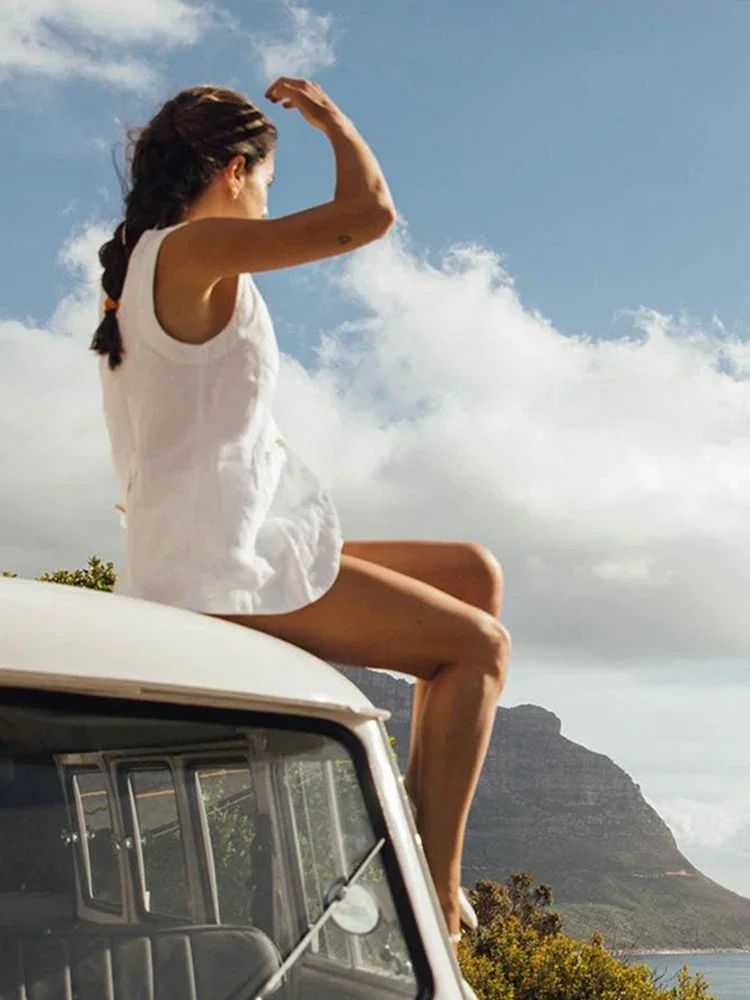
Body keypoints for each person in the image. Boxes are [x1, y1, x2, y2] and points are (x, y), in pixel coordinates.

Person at [92, 78, 512, 952]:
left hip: (229, 542)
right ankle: (428, 889)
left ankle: (415, 833)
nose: (269, 203)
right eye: (270, 185)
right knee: (479, 646)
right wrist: (333, 119)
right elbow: (368, 216)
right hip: (213, 572)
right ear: (237, 170)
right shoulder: (191, 250)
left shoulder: (152, 263)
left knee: (473, 571)